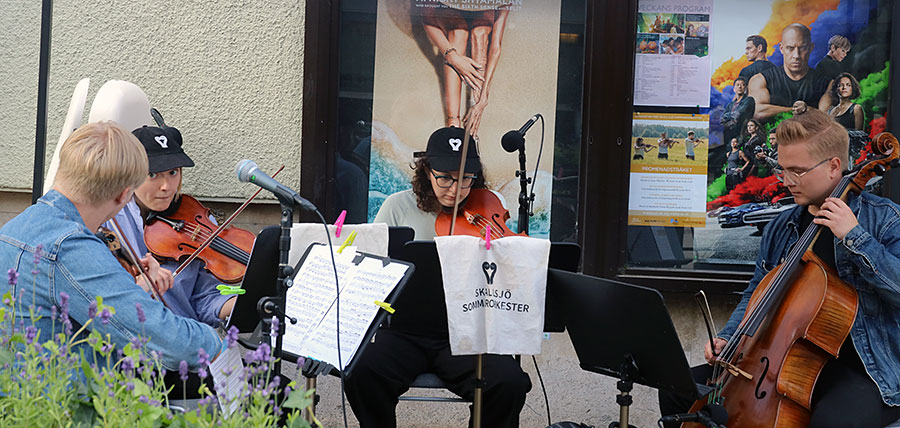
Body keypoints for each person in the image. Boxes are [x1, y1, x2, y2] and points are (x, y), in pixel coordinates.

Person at [660, 109, 900, 427]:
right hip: (782, 360)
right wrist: (729, 338)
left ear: (834, 166)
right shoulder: (781, 226)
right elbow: (757, 291)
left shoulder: (884, 219)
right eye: (783, 169)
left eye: (797, 171)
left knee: (832, 422)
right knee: (678, 389)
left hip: (865, 370)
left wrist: (855, 237)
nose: (786, 181)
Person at [344, 126, 531, 428]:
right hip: (404, 332)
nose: (455, 189)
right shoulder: (397, 206)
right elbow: (371, 267)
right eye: (444, 177)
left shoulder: (488, 207)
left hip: (468, 335)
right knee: (362, 371)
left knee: (508, 382)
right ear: (426, 171)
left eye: (465, 178)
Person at [0, 121, 223, 371]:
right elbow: (168, 341)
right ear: (124, 194)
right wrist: (218, 343)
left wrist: (132, 285)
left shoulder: (13, 229)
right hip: (58, 393)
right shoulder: (73, 248)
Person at [104, 125, 236, 328]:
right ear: (131, 173)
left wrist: (243, 303)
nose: (166, 186)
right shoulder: (109, 219)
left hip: (185, 336)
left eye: (173, 172)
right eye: (153, 175)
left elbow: (205, 298)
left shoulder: (199, 223)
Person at [422, 4, 510, 138]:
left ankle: (474, 119)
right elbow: (426, 17)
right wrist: (452, 57)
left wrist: (483, 98)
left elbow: (495, 47)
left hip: (482, 14)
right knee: (458, 31)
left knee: (480, 32)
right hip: (449, 11)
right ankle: (453, 122)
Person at [748, 24, 833, 121]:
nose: (796, 55)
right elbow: (757, 112)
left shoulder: (827, 84)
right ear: (781, 48)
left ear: (811, 48)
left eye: (802, 48)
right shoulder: (760, 80)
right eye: (790, 48)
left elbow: (825, 119)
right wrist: (799, 111)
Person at [720, 77, 755, 148]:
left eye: (742, 85)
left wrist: (728, 117)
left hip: (741, 135)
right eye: (737, 85)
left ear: (745, 88)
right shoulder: (730, 105)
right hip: (728, 136)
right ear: (734, 89)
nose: (740, 86)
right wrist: (731, 118)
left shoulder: (749, 100)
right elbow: (722, 120)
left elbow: (739, 114)